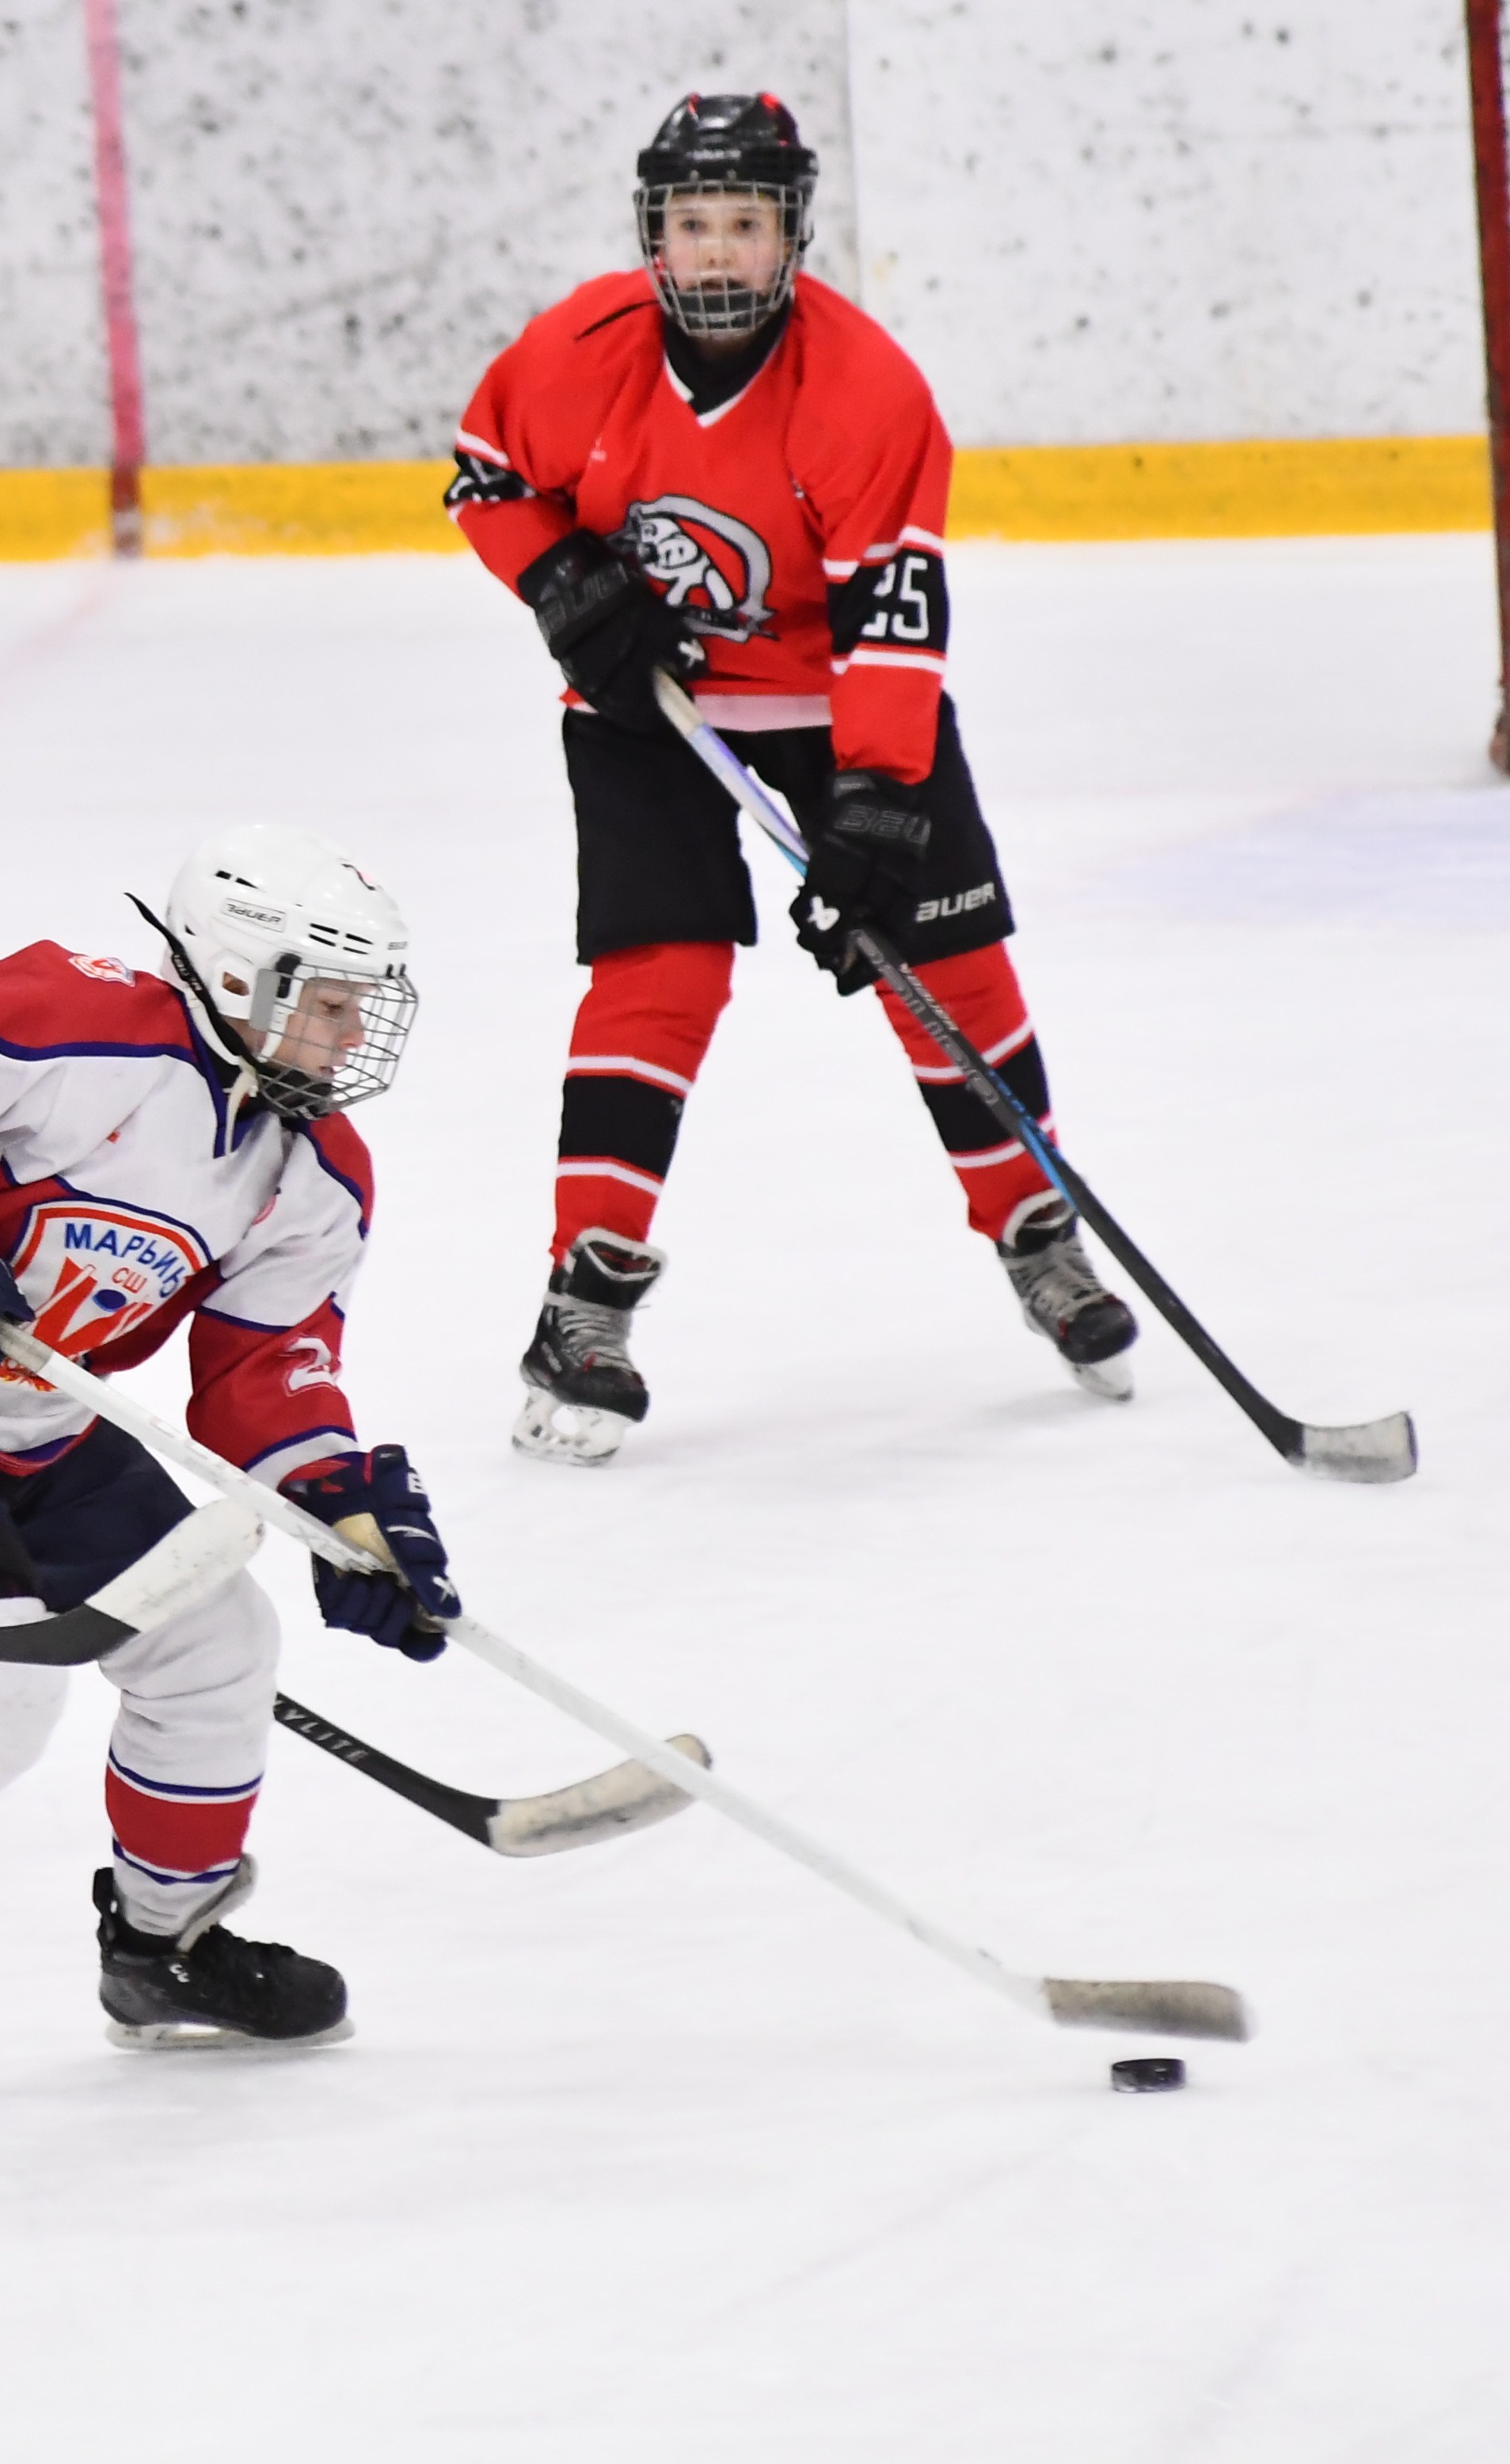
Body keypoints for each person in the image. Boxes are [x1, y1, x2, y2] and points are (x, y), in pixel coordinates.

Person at [444, 91, 1137, 1467]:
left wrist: (879, 795)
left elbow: (892, 623)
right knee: (659, 977)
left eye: (742, 226)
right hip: (652, 710)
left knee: (950, 973)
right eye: (690, 223)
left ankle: (1036, 1232)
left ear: (789, 235)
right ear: (654, 230)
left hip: (840, 712)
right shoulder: (575, 351)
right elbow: (482, 479)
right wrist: (563, 580)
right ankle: (583, 1302)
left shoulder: (865, 391)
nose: (713, 255)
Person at [0, 824, 457, 2085]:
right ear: (239, 978)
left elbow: (260, 1373)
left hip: (41, 1422)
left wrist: (340, 1507)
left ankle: (162, 1948)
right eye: (329, 1004)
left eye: (359, 1007)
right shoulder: (80, 1018)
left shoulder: (317, 1171)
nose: (351, 1038)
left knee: (217, 1644)